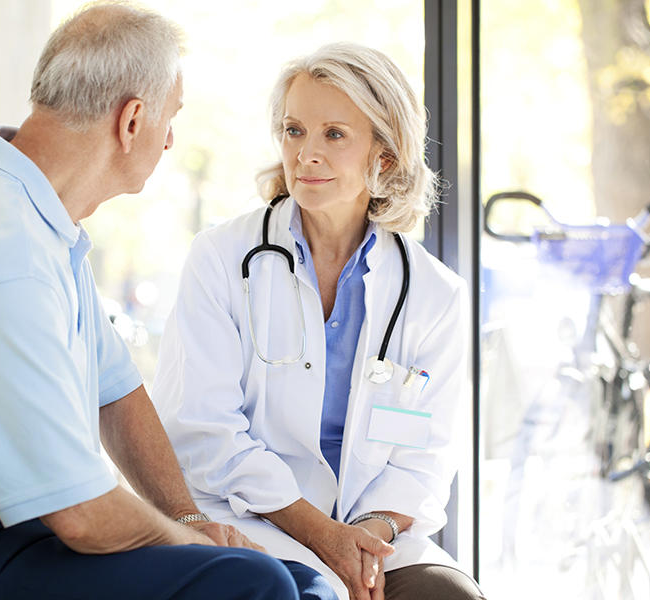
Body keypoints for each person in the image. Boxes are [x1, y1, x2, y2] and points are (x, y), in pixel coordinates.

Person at [0, 4, 334, 599]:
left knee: (301, 583)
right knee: (255, 586)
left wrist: (193, 520)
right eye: (171, 119)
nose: (170, 140)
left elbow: (116, 393)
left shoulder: (36, 222)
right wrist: (187, 541)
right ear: (132, 120)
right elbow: (81, 513)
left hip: (2, 535)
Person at [152, 42, 486, 600]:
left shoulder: (433, 296)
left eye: (334, 134)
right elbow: (205, 428)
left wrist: (364, 541)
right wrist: (321, 535)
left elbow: (423, 461)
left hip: (370, 535)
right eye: (293, 130)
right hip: (250, 523)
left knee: (449, 595)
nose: (305, 153)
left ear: (383, 157)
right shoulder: (221, 258)